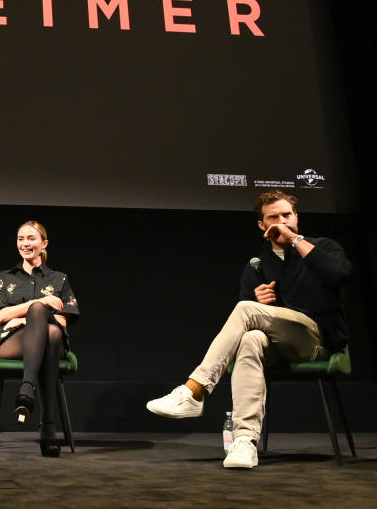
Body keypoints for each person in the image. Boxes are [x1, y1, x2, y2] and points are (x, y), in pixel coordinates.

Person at [146, 190, 352, 468]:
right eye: (273, 217)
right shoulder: (258, 265)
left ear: (296, 217)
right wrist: (259, 301)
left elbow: (339, 275)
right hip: (277, 345)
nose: (281, 221)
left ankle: (193, 390)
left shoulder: (322, 247)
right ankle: (244, 442)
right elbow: (242, 319)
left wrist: (294, 240)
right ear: (262, 225)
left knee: (246, 310)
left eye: (287, 215)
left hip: (317, 341)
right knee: (250, 339)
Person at [0, 221, 81, 457]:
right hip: (12, 342)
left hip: (52, 340)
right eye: (21, 239)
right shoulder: (5, 277)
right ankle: (48, 427)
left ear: (44, 244)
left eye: (31, 238)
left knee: (49, 332)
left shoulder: (58, 279)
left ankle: (26, 390)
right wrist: (33, 306)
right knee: (41, 313)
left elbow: (63, 320)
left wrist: (27, 318)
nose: (25, 244)